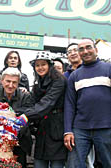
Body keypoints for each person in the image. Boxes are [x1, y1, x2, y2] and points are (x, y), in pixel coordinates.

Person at [64, 39, 111, 168]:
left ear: (96, 50)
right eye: (81, 49)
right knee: (73, 164)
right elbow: (69, 105)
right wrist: (68, 131)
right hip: (80, 129)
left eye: (88, 47)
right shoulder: (74, 76)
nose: (85, 51)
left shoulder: (108, 68)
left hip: (106, 127)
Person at [24, 51, 67, 168]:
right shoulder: (38, 83)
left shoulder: (59, 80)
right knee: (38, 163)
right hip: (42, 128)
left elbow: (47, 103)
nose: (40, 67)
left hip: (57, 127)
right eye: (37, 65)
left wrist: (25, 116)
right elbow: (32, 103)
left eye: (43, 64)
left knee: (56, 164)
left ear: (49, 65)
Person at [0, 67, 32, 168]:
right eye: (8, 81)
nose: (10, 85)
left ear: (18, 83)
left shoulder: (25, 96)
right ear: (2, 81)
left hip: (20, 139)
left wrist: (12, 136)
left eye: (14, 82)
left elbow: (26, 118)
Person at [64, 42, 95, 168]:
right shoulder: (67, 76)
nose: (73, 53)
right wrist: (67, 129)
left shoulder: (100, 69)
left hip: (99, 123)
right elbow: (68, 103)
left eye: (75, 50)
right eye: (69, 51)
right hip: (76, 124)